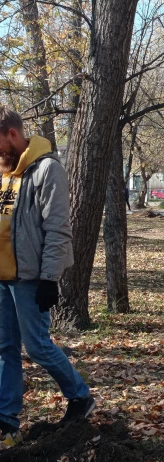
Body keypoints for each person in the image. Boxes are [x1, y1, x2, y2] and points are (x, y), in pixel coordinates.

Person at [0, 107, 95, 447]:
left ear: (12, 134)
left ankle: (80, 396)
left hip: (30, 279)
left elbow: (58, 229)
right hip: (2, 279)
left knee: (38, 346)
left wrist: (49, 279)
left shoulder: (47, 169)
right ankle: (6, 420)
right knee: (4, 348)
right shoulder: (2, 172)